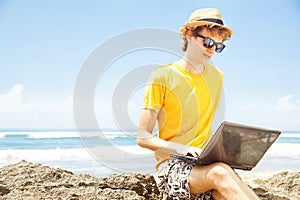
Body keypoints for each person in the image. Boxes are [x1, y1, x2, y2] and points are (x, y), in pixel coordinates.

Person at [137, 8, 259, 200]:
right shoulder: (162, 76)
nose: (212, 50)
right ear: (189, 35)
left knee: (223, 185)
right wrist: (180, 148)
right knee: (221, 173)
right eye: (208, 42)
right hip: (172, 168)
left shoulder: (217, 77)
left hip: (205, 166)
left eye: (218, 46)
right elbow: (143, 137)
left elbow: (202, 129)